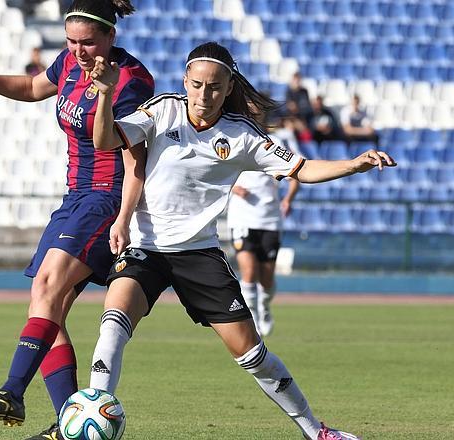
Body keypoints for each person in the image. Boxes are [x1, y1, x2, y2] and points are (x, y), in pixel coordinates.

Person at [87, 41, 395, 440]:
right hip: (146, 246)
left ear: (229, 87)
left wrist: (354, 164)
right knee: (113, 321)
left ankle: (316, 431)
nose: (203, 94)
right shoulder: (162, 109)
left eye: (214, 87)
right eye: (196, 84)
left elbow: (301, 169)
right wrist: (106, 94)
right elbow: (104, 141)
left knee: (252, 353)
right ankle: (95, 413)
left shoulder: (242, 136)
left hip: (198, 253)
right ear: (185, 81)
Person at [0, 2, 154, 440]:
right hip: (74, 197)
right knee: (46, 307)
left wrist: (125, 218)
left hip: (106, 199)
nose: (79, 51)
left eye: (88, 42)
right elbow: (34, 88)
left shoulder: (131, 81)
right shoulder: (69, 64)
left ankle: (12, 391)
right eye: (72, 42)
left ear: (110, 37)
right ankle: (67, 425)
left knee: (47, 287)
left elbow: (136, 160)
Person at [227, 122, 300, 337]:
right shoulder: (233, 138)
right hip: (241, 218)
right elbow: (213, 171)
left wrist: (287, 199)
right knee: (249, 271)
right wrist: (233, 187)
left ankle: (264, 308)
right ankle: (253, 317)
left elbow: (295, 175)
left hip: (269, 219)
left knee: (266, 277)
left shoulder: (275, 144)